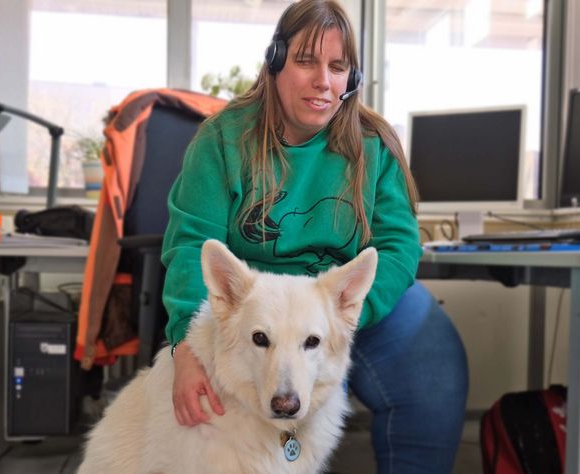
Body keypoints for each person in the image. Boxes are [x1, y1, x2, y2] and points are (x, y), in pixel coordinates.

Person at [160, 0, 468, 472]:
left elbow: (399, 245)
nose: (323, 80)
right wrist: (183, 347)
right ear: (276, 61)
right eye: (306, 61)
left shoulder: (373, 144)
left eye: (338, 66)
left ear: (353, 80)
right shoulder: (223, 140)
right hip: (258, 304)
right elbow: (189, 245)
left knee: (434, 369)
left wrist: (342, 316)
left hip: (342, 298)